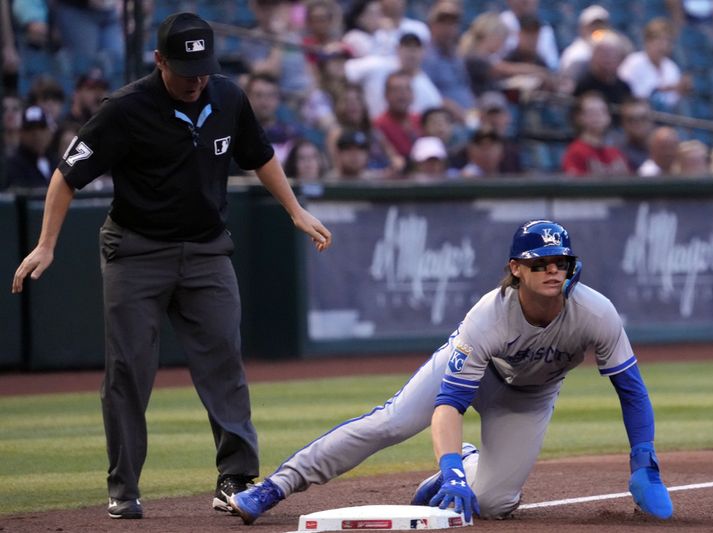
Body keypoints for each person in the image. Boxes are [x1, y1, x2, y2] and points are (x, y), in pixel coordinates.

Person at [10, 12, 332, 520]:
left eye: (203, 68)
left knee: (224, 358)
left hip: (206, 249)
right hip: (137, 250)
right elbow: (66, 176)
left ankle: (235, 476)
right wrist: (47, 244)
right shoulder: (124, 109)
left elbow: (259, 154)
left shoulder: (227, 96)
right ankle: (124, 486)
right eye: (185, 70)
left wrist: (294, 210)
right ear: (159, 61)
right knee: (130, 369)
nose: (196, 79)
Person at [228, 219, 673, 526]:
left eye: (560, 262)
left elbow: (631, 391)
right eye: (540, 263)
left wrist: (644, 459)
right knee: (391, 423)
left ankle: (463, 465)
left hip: (529, 396)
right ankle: (274, 487)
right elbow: (449, 403)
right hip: (472, 374)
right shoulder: (489, 316)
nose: (552, 270)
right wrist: (450, 466)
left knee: (494, 505)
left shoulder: (596, 313)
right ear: (516, 270)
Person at [617, 18, 690, 111]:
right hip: (637, 117)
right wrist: (660, 90)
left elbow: (671, 102)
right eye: (659, 41)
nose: (664, 46)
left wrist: (680, 91)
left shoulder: (671, 67)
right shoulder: (633, 62)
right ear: (647, 41)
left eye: (668, 41)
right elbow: (625, 95)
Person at [562, 91, 630, 177]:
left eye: (602, 111)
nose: (597, 116)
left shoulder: (615, 152)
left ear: (608, 117)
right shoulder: (575, 152)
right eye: (591, 112)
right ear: (579, 117)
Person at [4, 104, 53, 189]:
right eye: (30, 129)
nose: (37, 134)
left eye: (41, 128)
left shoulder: (56, 161)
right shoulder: (12, 166)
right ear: (21, 133)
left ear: (48, 132)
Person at [559, 5, 611, 82]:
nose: (597, 28)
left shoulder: (611, 48)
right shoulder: (576, 53)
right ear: (582, 28)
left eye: (601, 25)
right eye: (593, 25)